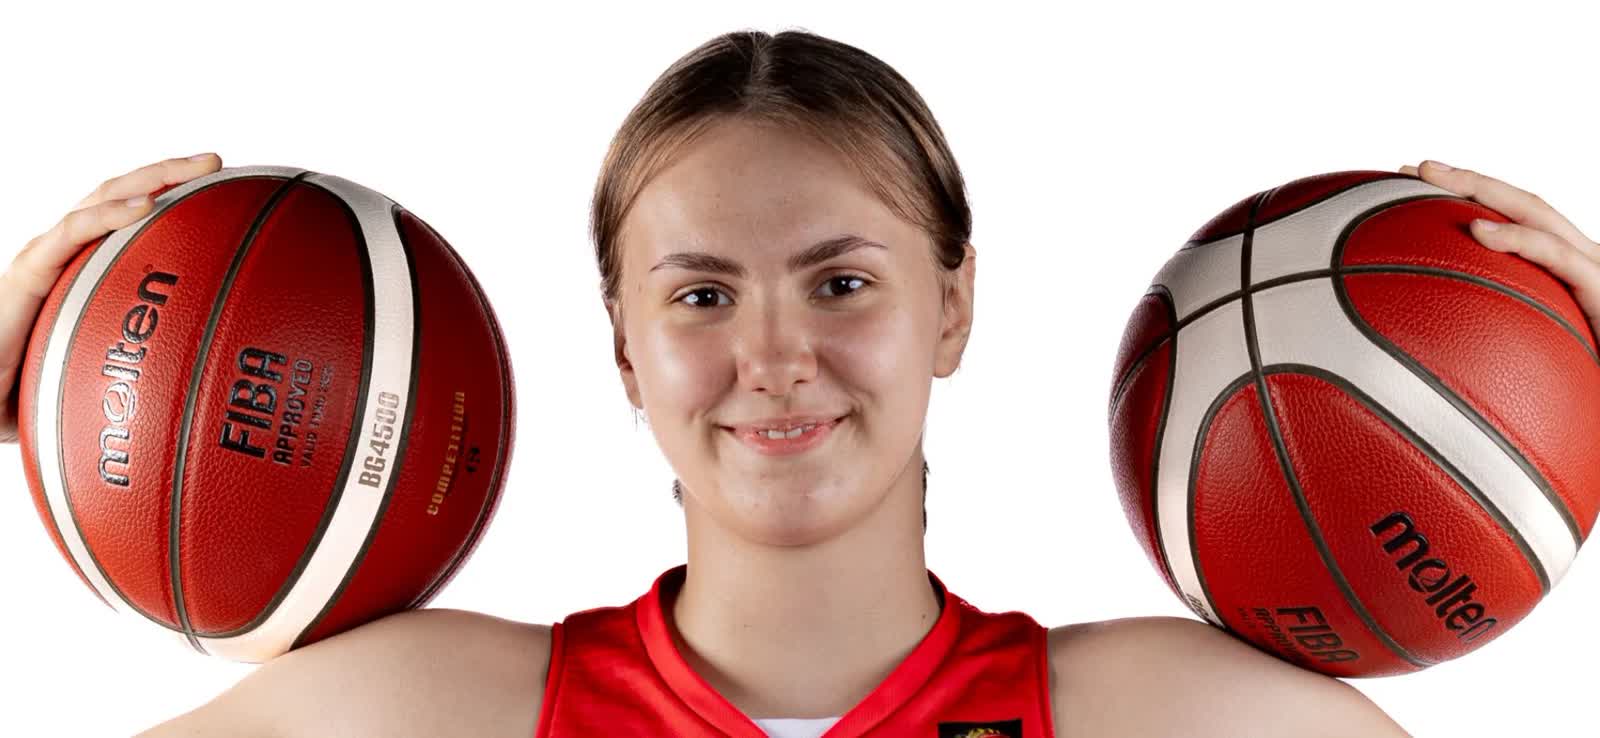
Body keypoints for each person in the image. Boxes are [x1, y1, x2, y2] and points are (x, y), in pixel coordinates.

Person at [5, 30, 1595, 738]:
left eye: (842, 282)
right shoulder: (438, 709)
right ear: (623, 347)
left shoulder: (1159, 715)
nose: (774, 359)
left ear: (953, 306)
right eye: (702, 294)